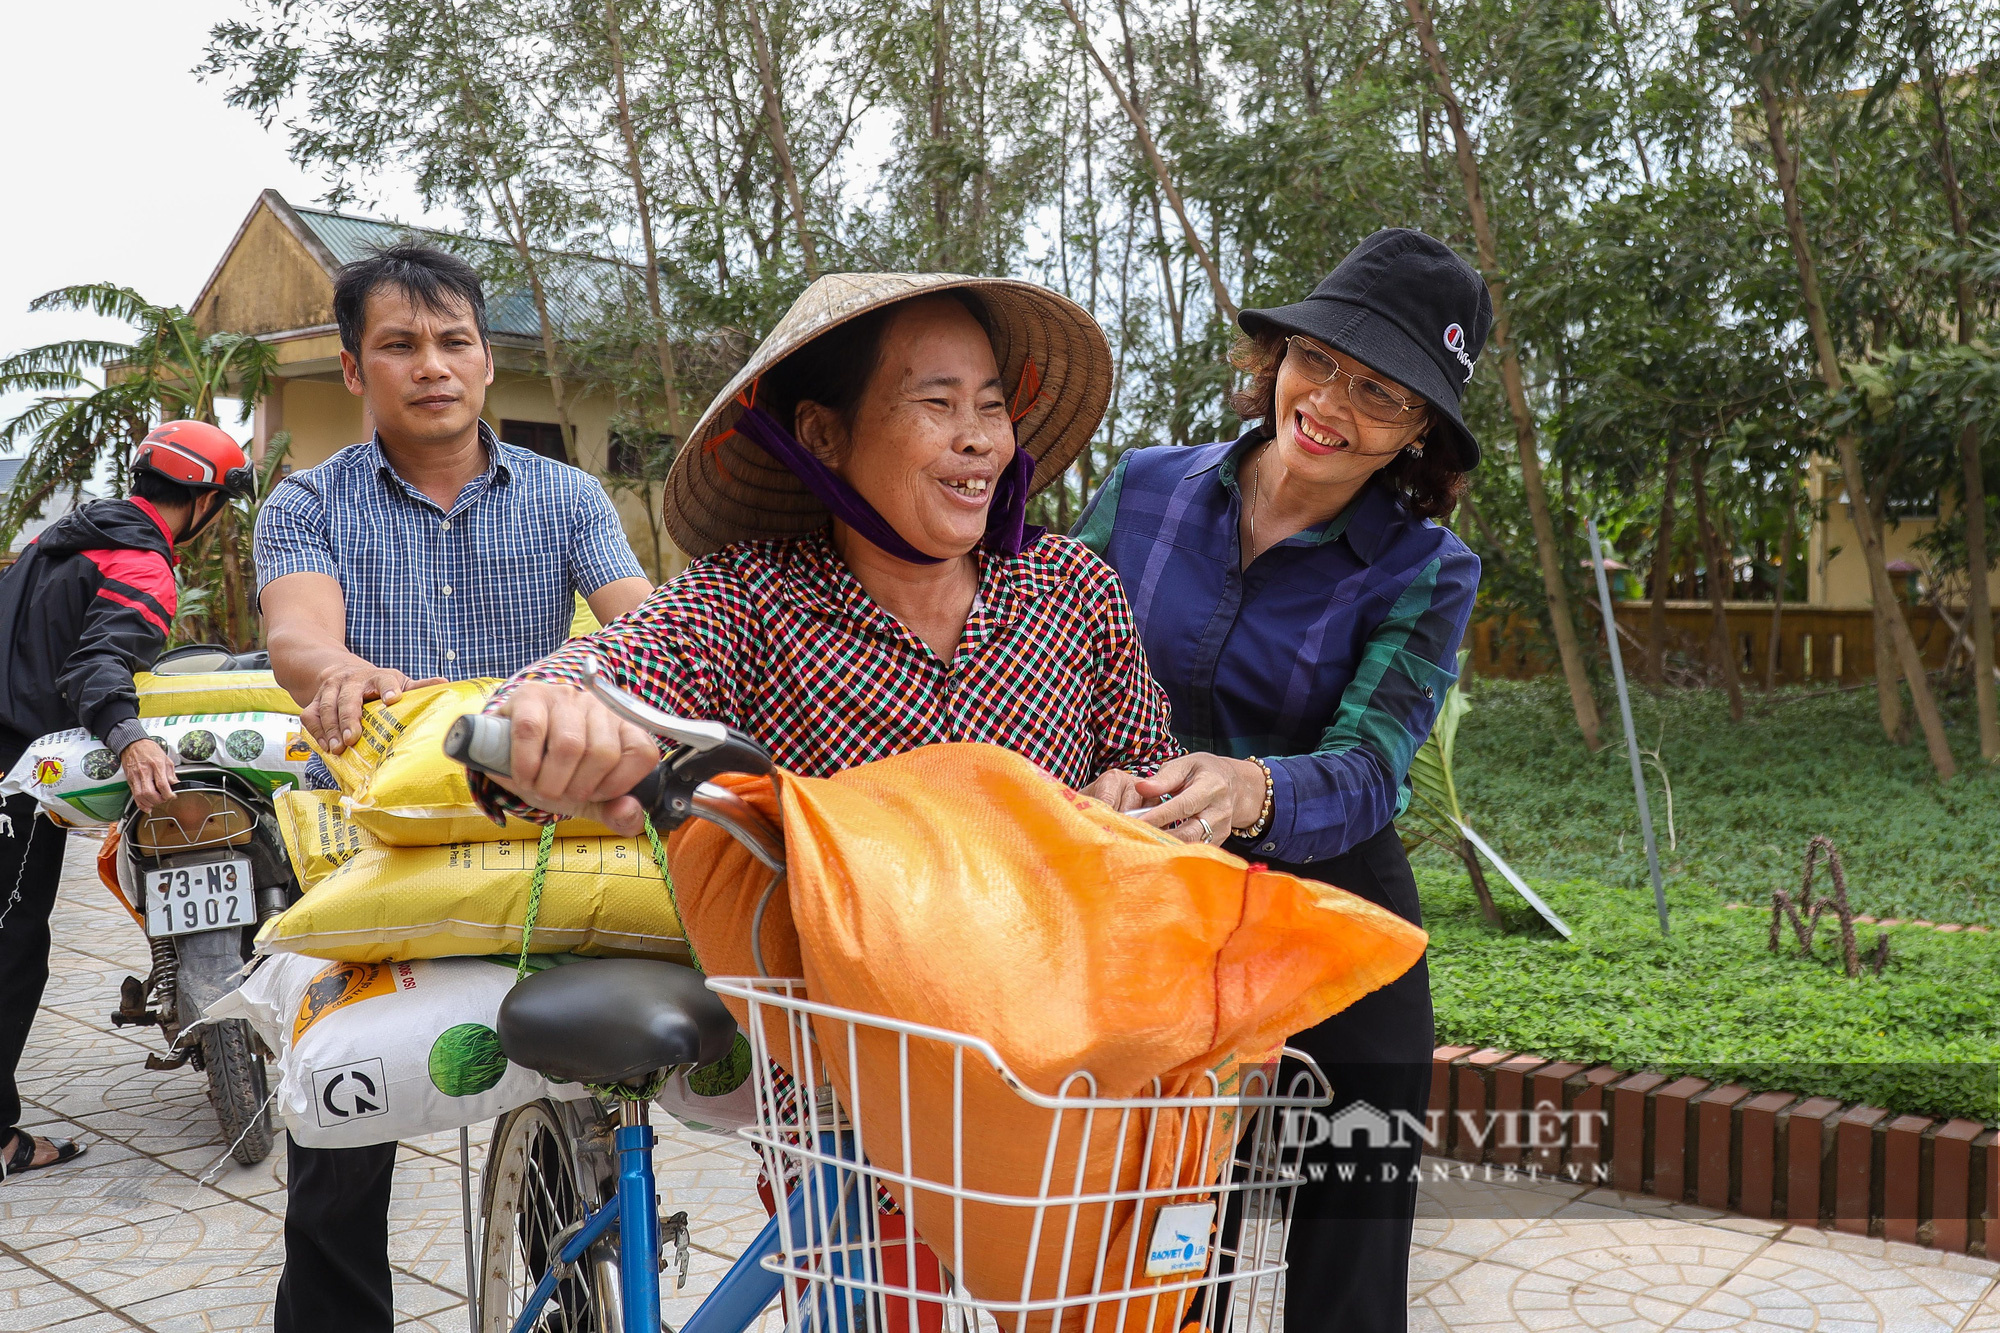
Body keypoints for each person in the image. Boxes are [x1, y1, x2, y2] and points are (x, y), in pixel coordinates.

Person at [1073, 228, 1488, 1332]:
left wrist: (1251, 790)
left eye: (1381, 395)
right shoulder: (1144, 491)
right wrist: (1097, 766)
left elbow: (1370, 765)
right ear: (1277, 355)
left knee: (1351, 1244)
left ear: (1417, 435)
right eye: (1322, 362)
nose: (1330, 403)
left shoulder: (1426, 569)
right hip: (1152, 912)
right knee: (1158, 1243)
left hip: (1333, 919)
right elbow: (1050, 654)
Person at [463, 269, 1237, 860]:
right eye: (938, 404)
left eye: (992, 406)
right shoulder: (749, 602)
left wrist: (1140, 798)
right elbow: (601, 672)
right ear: (824, 436)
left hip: (1059, 1043)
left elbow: (1149, 770)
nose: (979, 440)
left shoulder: (1071, 591)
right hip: (852, 1048)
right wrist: (543, 722)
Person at [254, 241, 651, 1332]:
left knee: (585, 1104)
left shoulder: (569, 497)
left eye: (452, 341)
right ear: (352, 370)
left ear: (484, 360)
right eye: (398, 344)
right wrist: (339, 672)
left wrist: (611, 688)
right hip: (371, 832)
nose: (430, 364)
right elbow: (297, 636)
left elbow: (651, 627)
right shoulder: (306, 504)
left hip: (536, 831)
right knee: (341, 1127)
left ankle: (576, 1293)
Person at [0, 421, 250, 1181]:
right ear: (205, 501)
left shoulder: (54, 544)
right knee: (12, 949)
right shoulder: (141, 561)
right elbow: (96, 664)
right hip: (14, 778)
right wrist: (131, 738)